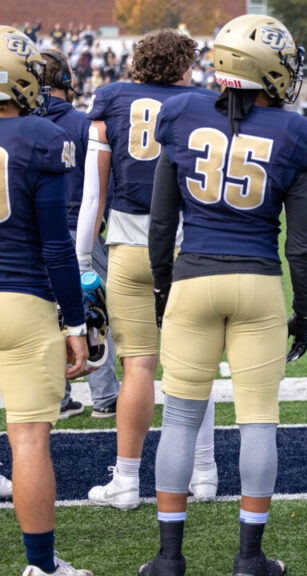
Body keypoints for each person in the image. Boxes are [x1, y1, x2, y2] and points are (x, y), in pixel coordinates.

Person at [138, 14, 307, 575]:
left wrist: (164, 286)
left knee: (180, 421)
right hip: (258, 283)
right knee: (259, 419)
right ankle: (249, 558)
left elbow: (162, 221)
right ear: (267, 69)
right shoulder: (294, 132)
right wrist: (303, 311)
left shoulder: (181, 112)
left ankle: (169, 559)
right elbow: (304, 243)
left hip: (192, 278)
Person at [75, 28, 219, 510]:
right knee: (194, 362)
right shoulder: (203, 102)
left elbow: (93, 193)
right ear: (184, 66)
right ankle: (204, 473)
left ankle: (127, 481)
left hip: (127, 247)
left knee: (137, 365)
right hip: (187, 247)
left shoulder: (112, 99)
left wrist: (80, 257)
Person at [0, 26, 93, 576]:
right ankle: (41, 567)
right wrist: (75, 321)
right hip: (22, 300)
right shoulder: (39, 136)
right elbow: (56, 244)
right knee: (29, 438)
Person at [40, 48, 121, 420]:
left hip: (36, 235)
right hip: (81, 231)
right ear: (65, 80)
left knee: (46, 315)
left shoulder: (23, 125)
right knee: (94, 311)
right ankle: (105, 397)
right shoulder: (84, 124)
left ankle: (58, 394)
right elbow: (104, 184)